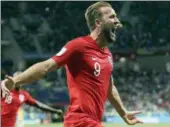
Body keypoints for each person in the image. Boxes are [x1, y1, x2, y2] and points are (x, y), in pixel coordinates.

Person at [1, 2, 143, 127]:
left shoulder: (108, 55)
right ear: (98, 22)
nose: (117, 21)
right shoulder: (78, 46)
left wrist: (123, 113)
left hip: (93, 121)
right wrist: (14, 82)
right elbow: (46, 66)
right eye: (111, 17)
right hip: (79, 121)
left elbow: (109, 87)